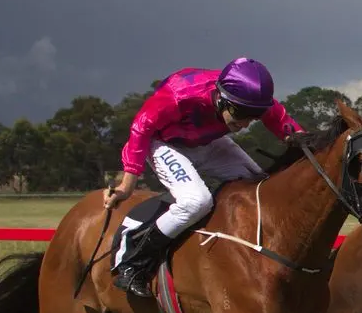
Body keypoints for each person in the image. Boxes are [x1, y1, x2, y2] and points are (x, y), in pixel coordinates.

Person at [104, 57, 305, 298]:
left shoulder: (250, 97)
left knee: (261, 187)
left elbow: (283, 123)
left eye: (254, 117)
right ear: (221, 99)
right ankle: (134, 262)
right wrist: (127, 184)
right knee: (196, 201)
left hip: (207, 141)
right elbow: (140, 128)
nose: (246, 124)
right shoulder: (181, 96)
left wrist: (307, 144)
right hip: (165, 144)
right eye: (241, 115)